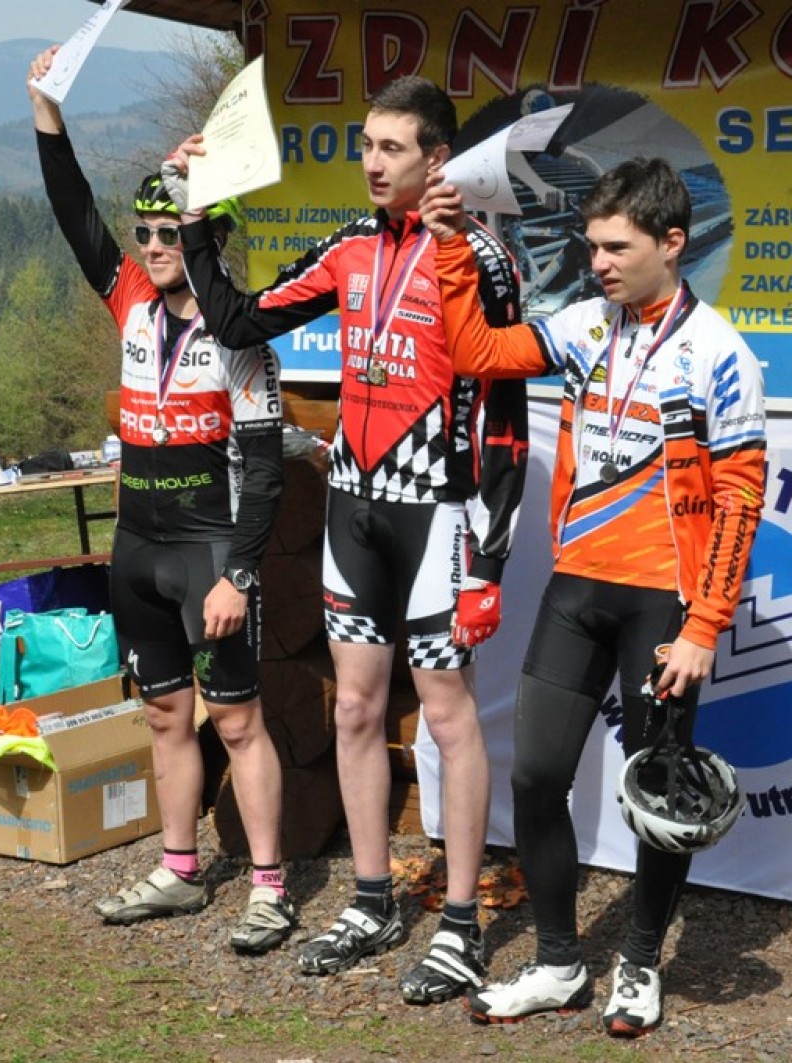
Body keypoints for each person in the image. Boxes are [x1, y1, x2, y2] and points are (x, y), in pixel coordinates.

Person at [165, 75, 530, 1004]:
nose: (371, 161)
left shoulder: (484, 259)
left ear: (437, 159)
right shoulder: (349, 246)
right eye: (366, 144)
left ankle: (460, 923)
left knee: (447, 713)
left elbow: (506, 420)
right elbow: (238, 320)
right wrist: (198, 219)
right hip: (354, 509)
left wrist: (490, 556)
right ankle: (372, 899)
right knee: (356, 707)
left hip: (439, 511)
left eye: (391, 148)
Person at [419, 157, 768, 1035]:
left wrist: (704, 625)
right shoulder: (584, 325)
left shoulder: (718, 353)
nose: (598, 262)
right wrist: (453, 247)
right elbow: (476, 352)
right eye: (592, 246)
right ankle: (558, 962)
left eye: (616, 247)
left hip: (663, 605)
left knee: (660, 793)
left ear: (672, 242)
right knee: (536, 774)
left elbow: (740, 499)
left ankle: (641, 960)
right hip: (578, 586)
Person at [28, 46, 295, 955]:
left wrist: (241, 575)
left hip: (208, 550)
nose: (150, 246)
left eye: (169, 234)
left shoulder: (241, 336)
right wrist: (47, 114)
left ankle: (269, 887)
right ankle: (180, 869)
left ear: (204, 236)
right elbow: (76, 217)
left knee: (240, 721)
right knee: (163, 715)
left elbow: (266, 470)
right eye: (144, 232)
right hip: (137, 547)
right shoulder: (132, 303)